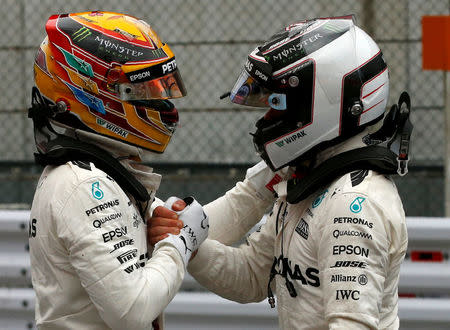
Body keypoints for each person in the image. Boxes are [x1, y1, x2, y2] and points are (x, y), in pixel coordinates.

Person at [149, 16, 413, 329]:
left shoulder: (352, 202)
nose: (267, 118)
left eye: (279, 103)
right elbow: (251, 276)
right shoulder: (309, 180)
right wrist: (186, 241)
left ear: (324, 101)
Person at [27, 11, 211, 330]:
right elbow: (132, 311)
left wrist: (163, 231)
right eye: (143, 89)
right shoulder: (84, 184)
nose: (160, 100)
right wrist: (179, 245)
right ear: (97, 93)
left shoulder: (95, 172)